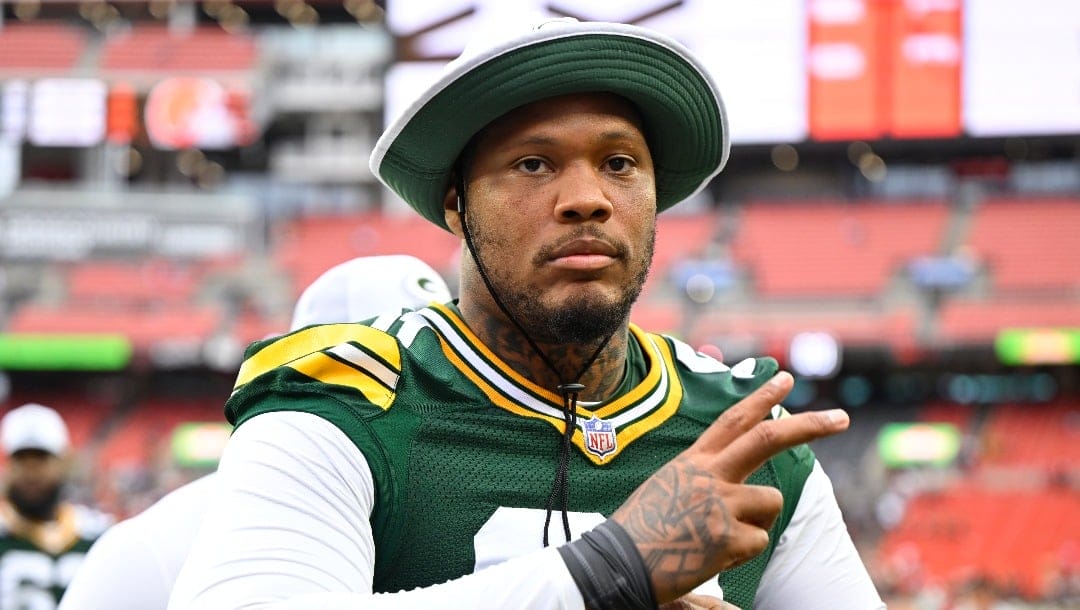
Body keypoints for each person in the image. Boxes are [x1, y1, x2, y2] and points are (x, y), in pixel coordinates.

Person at [169, 18, 884, 610]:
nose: (587, 198)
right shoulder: (349, 397)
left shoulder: (743, 429)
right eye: (533, 164)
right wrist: (617, 570)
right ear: (455, 203)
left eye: (620, 163)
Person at [58, 255, 452, 610]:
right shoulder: (154, 548)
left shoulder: (480, 519)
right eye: (379, 374)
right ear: (303, 377)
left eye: (439, 373)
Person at [0, 403, 111, 608]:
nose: (30, 471)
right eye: (21, 459)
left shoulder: (97, 534)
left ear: (62, 462)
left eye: (41, 458)